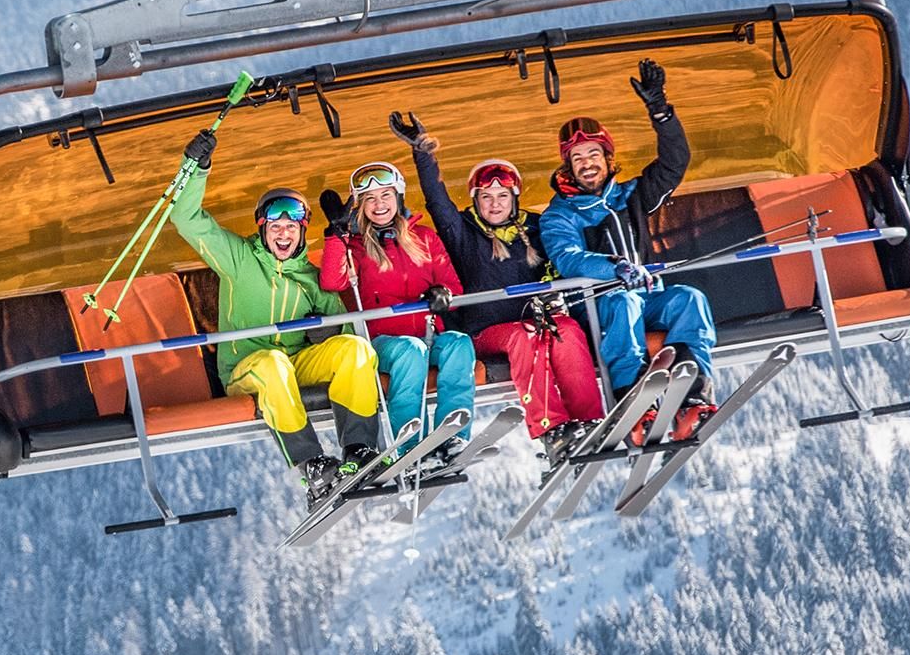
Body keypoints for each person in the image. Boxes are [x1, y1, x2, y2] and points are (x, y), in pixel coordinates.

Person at [166, 126, 385, 501]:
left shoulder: (310, 279)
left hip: (295, 364)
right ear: (263, 229)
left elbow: (347, 330)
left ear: (301, 232)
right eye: (275, 227)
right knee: (273, 363)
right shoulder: (239, 259)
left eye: (291, 227)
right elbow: (186, 219)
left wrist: (331, 335)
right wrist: (196, 167)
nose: (283, 234)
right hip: (247, 369)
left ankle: (359, 449)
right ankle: (311, 464)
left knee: (356, 350)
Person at [390, 109, 603, 441]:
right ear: (475, 200)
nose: (495, 204)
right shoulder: (463, 232)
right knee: (524, 336)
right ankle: (551, 427)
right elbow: (437, 200)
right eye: (486, 197)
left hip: (535, 322)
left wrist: (554, 294)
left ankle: (588, 420)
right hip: (485, 332)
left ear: (514, 198)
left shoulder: (535, 229)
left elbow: (562, 256)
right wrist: (423, 153)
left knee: (568, 329)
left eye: (503, 196)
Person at [536, 58, 720, 441]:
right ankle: (631, 400)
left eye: (593, 155)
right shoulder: (560, 214)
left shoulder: (629, 196)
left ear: (607, 158)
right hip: (596, 306)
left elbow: (674, 164)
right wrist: (615, 267)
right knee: (624, 302)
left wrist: (661, 111)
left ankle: (692, 397)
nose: (587, 165)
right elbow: (568, 258)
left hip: (645, 295)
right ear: (568, 167)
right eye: (577, 159)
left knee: (689, 298)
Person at [317, 158, 475, 459]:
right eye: (370, 199)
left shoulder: (424, 237)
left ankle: (453, 436)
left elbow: (453, 286)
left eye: (386, 195)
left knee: (459, 344)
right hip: (385, 343)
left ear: (398, 197)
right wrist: (336, 235)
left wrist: (443, 293)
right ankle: (410, 446)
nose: (379, 205)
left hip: (428, 334)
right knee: (411, 352)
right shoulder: (355, 247)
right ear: (360, 206)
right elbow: (332, 281)